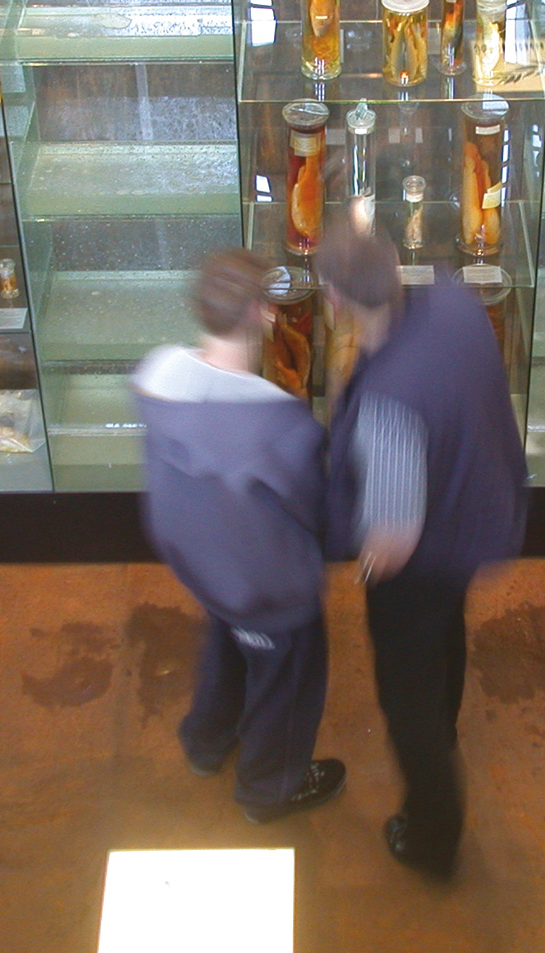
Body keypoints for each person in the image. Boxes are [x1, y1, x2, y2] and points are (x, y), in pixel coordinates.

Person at [317, 225, 528, 882]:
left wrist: (365, 562)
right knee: (447, 637)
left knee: (406, 696)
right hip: (475, 517)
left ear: (334, 299)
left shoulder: (388, 405)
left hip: (422, 561)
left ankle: (433, 837)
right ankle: (448, 723)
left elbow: (393, 538)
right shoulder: (456, 304)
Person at [130, 249, 346, 823]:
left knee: (226, 646)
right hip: (268, 587)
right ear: (262, 313)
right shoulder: (278, 425)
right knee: (286, 683)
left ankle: (206, 744)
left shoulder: (158, 376)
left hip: (203, 565)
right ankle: (268, 790)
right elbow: (315, 512)